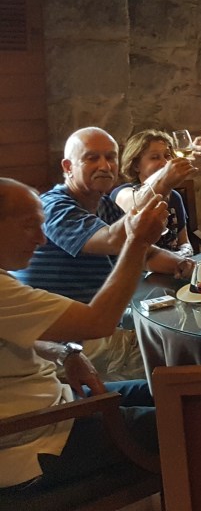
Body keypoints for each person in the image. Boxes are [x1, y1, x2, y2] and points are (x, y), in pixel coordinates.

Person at [0, 177, 164, 492]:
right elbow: (99, 322)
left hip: (58, 407)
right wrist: (137, 241)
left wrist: (65, 352)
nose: (42, 239)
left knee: (171, 391)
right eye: (29, 226)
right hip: (36, 443)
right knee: (194, 421)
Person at [14, 128, 195, 380]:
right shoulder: (54, 206)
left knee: (180, 326)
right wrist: (161, 184)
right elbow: (115, 239)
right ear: (68, 167)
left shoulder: (103, 204)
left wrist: (186, 265)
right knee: (182, 351)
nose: (104, 165)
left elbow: (144, 252)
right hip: (67, 343)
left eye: (110, 157)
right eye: (92, 158)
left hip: (98, 324)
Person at [111, 129, 196, 255]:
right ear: (136, 166)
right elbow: (137, 203)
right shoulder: (122, 192)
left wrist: (181, 255)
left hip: (175, 264)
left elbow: (184, 242)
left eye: (167, 156)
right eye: (155, 157)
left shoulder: (174, 197)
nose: (165, 163)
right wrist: (164, 182)